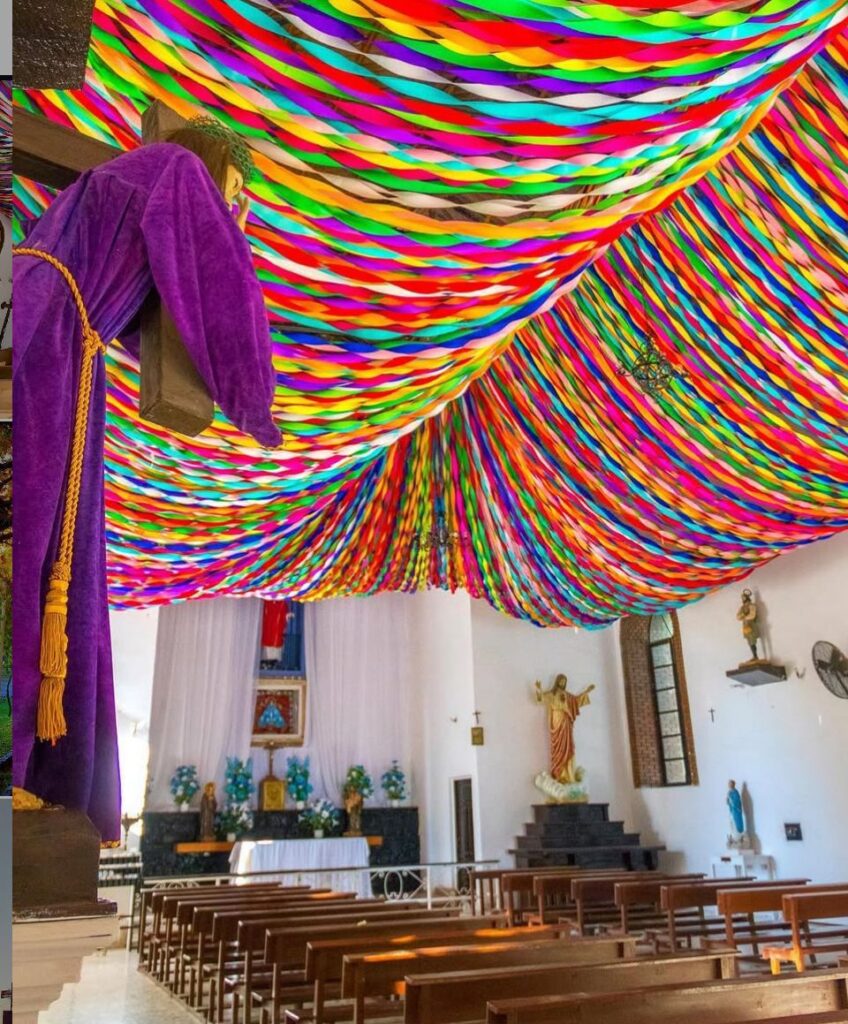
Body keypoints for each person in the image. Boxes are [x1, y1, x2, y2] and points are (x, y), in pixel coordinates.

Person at [13, 118, 280, 840]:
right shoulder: (177, 172)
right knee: (34, 554)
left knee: (43, 550)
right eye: (238, 193)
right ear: (219, 168)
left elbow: (148, 308)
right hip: (53, 345)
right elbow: (218, 290)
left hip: (53, 326)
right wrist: (257, 403)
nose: (233, 209)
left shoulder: (118, 184)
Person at [534, 674, 595, 783]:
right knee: (558, 748)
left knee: (567, 745)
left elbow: (576, 700)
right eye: (561, 681)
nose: (562, 683)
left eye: (564, 681)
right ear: (557, 681)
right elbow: (542, 697)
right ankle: (558, 774)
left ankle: (567, 774)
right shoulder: (553, 694)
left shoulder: (567, 696)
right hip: (557, 722)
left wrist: (587, 691)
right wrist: (539, 689)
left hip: (566, 723)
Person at [736, 589, 760, 660]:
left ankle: (755, 656)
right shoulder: (742, 607)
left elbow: (752, 615)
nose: (743, 599)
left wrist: (744, 617)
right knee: (749, 641)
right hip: (745, 626)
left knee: (752, 640)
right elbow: (738, 616)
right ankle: (754, 656)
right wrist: (743, 614)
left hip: (751, 625)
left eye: (744, 597)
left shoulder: (751, 605)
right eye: (742, 598)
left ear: (747, 597)